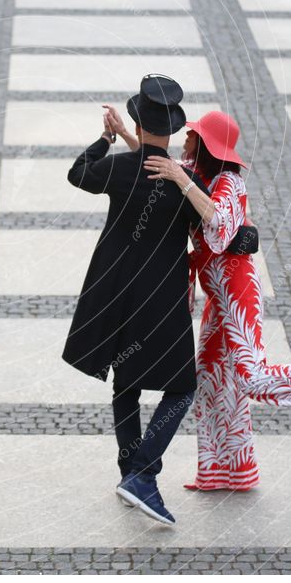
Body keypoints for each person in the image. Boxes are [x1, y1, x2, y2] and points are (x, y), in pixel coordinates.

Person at [141, 110, 291, 491]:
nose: (186, 138)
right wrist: (130, 139)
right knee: (212, 381)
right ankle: (226, 472)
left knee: (252, 379)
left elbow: (220, 223)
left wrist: (182, 179)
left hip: (239, 293)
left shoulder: (229, 182)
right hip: (217, 297)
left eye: (193, 135)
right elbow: (158, 165)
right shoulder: (194, 172)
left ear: (206, 145)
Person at [62, 75, 207, 525]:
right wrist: (172, 170)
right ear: (175, 130)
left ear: (138, 124)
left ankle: (132, 473)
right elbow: (216, 222)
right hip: (162, 299)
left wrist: (107, 139)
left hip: (119, 297)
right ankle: (142, 473)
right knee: (181, 387)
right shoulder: (187, 180)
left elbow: (79, 174)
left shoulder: (122, 169)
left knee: (126, 386)